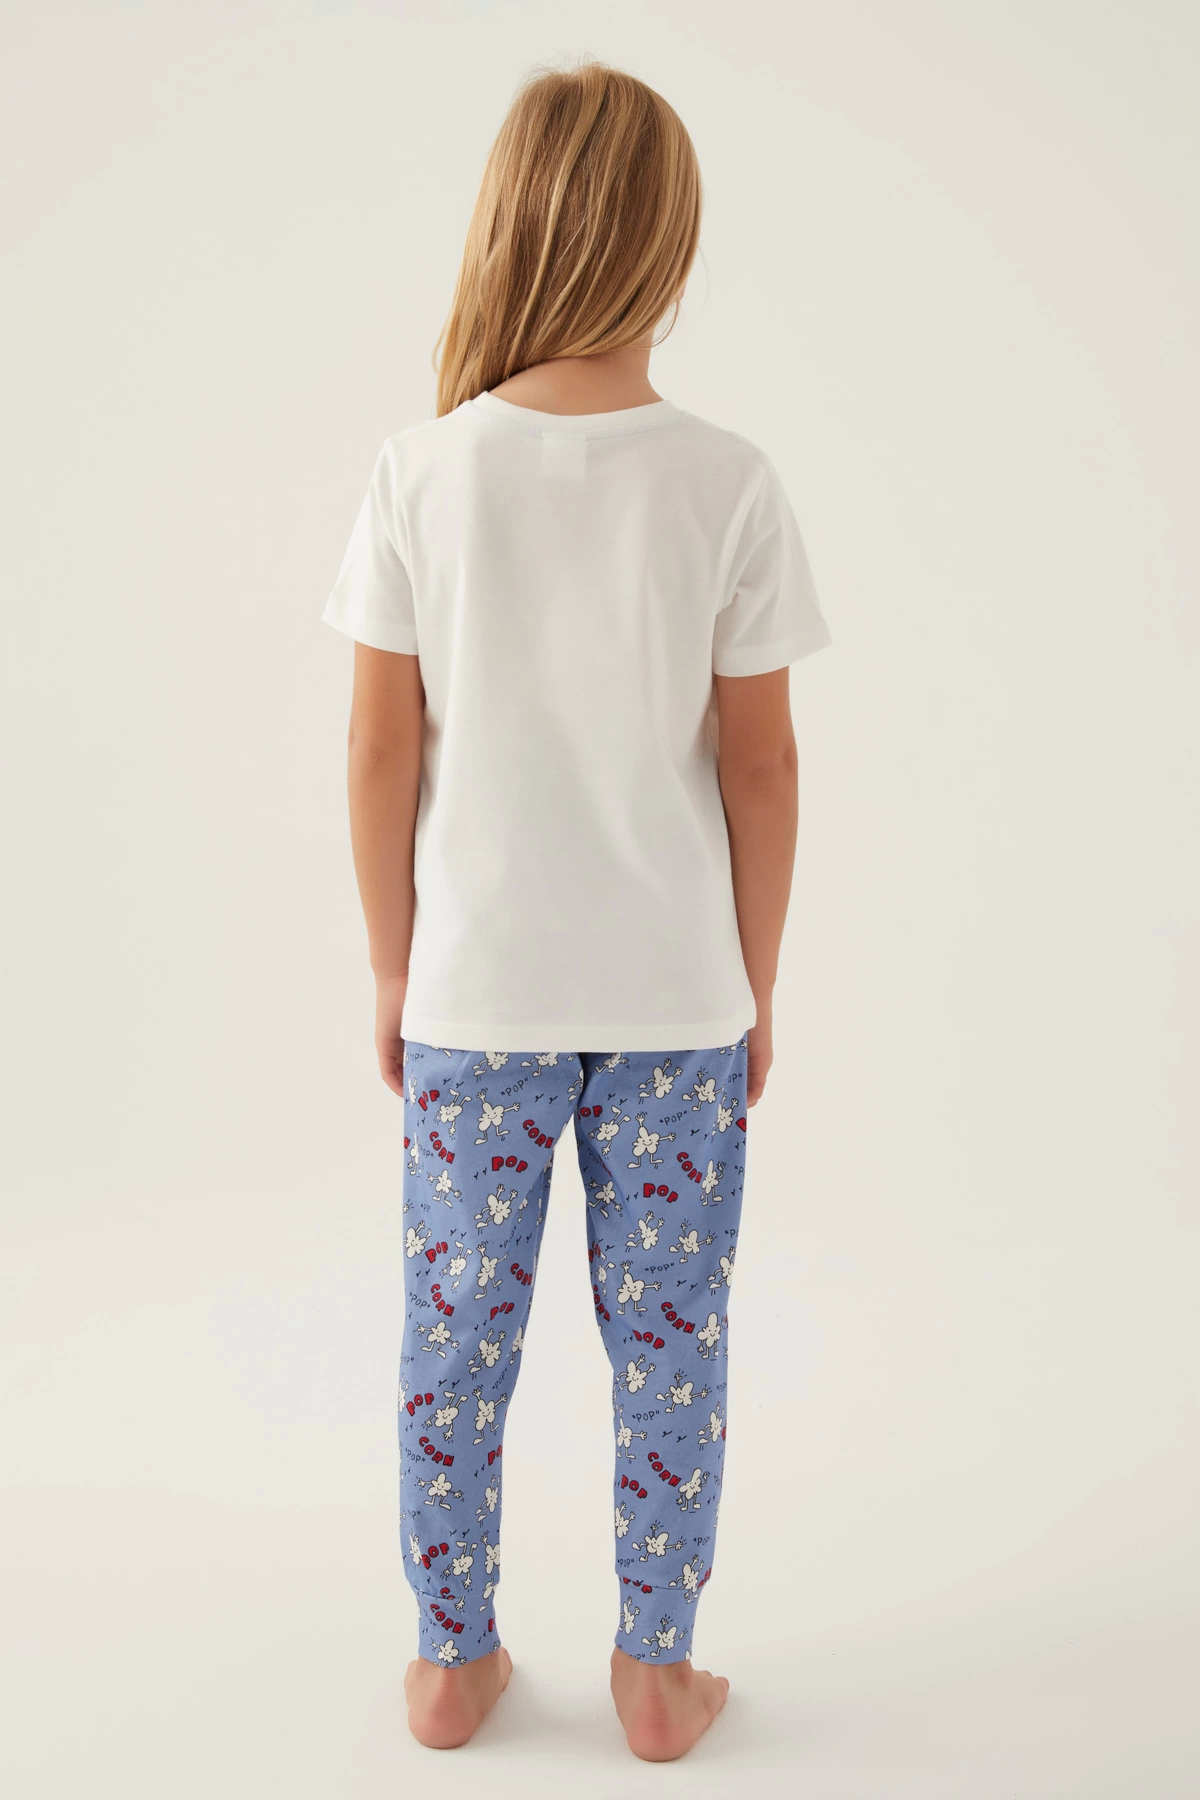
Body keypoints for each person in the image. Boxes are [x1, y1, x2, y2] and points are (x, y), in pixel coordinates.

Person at [323, 58, 831, 1762]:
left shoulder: (420, 472)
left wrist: (391, 966)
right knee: (671, 1344)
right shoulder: (727, 479)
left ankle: (450, 1660)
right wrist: (756, 978)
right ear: (668, 244)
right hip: (675, 1003)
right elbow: (761, 767)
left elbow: (378, 748)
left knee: (453, 1339)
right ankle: (656, 1671)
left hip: (475, 1001)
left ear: (508, 231)